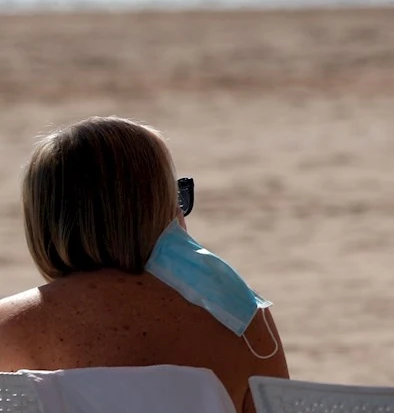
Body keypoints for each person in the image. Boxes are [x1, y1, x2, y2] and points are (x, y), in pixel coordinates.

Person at [0, 116, 289, 412]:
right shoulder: (239, 321)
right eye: (174, 197)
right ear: (157, 208)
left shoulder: (7, 328)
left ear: (44, 219)